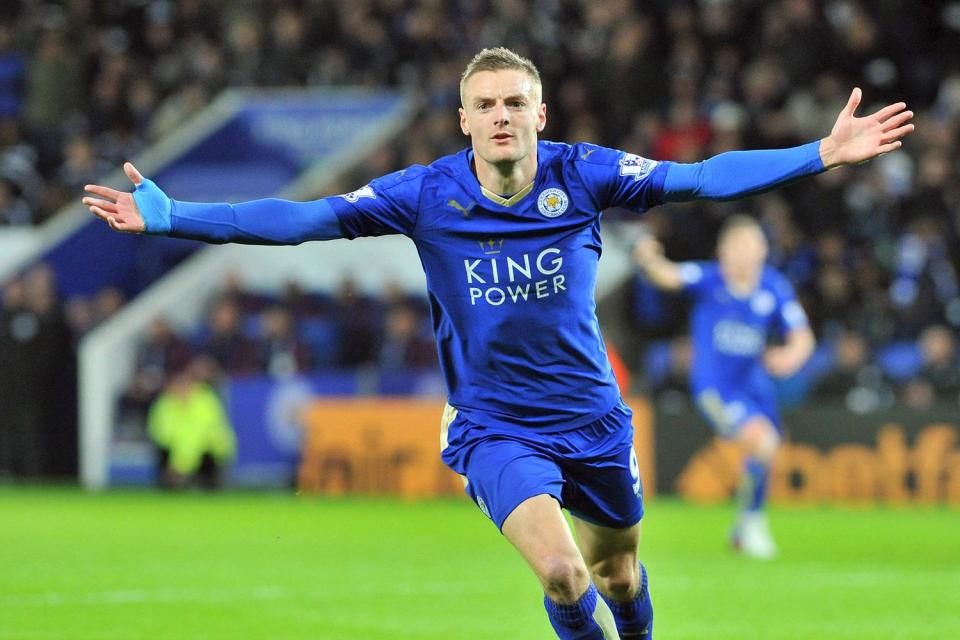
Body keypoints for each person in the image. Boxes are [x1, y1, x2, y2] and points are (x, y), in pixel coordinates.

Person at [82, 47, 912, 639]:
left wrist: (820, 154)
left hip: (593, 419)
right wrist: (176, 215)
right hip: (494, 424)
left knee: (620, 577)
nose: (502, 116)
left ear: (539, 115)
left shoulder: (583, 173)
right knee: (562, 575)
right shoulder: (423, 193)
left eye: (516, 102)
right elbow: (306, 220)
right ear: (465, 120)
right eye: (486, 104)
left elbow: (696, 178)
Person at [634, 216, 816, 559]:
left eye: (752, 246)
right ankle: (752, 524)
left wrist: (791, 356)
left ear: (764, 250)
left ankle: (742, 527)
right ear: (723, 252)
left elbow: (802, 336)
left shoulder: (773, 287)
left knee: (767, 448)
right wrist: (647, 257)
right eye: (738, 247)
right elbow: (669, 275)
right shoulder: (709, 279)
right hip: (716, 387)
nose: (745, 255)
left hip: (755, 387)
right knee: (764, 442)